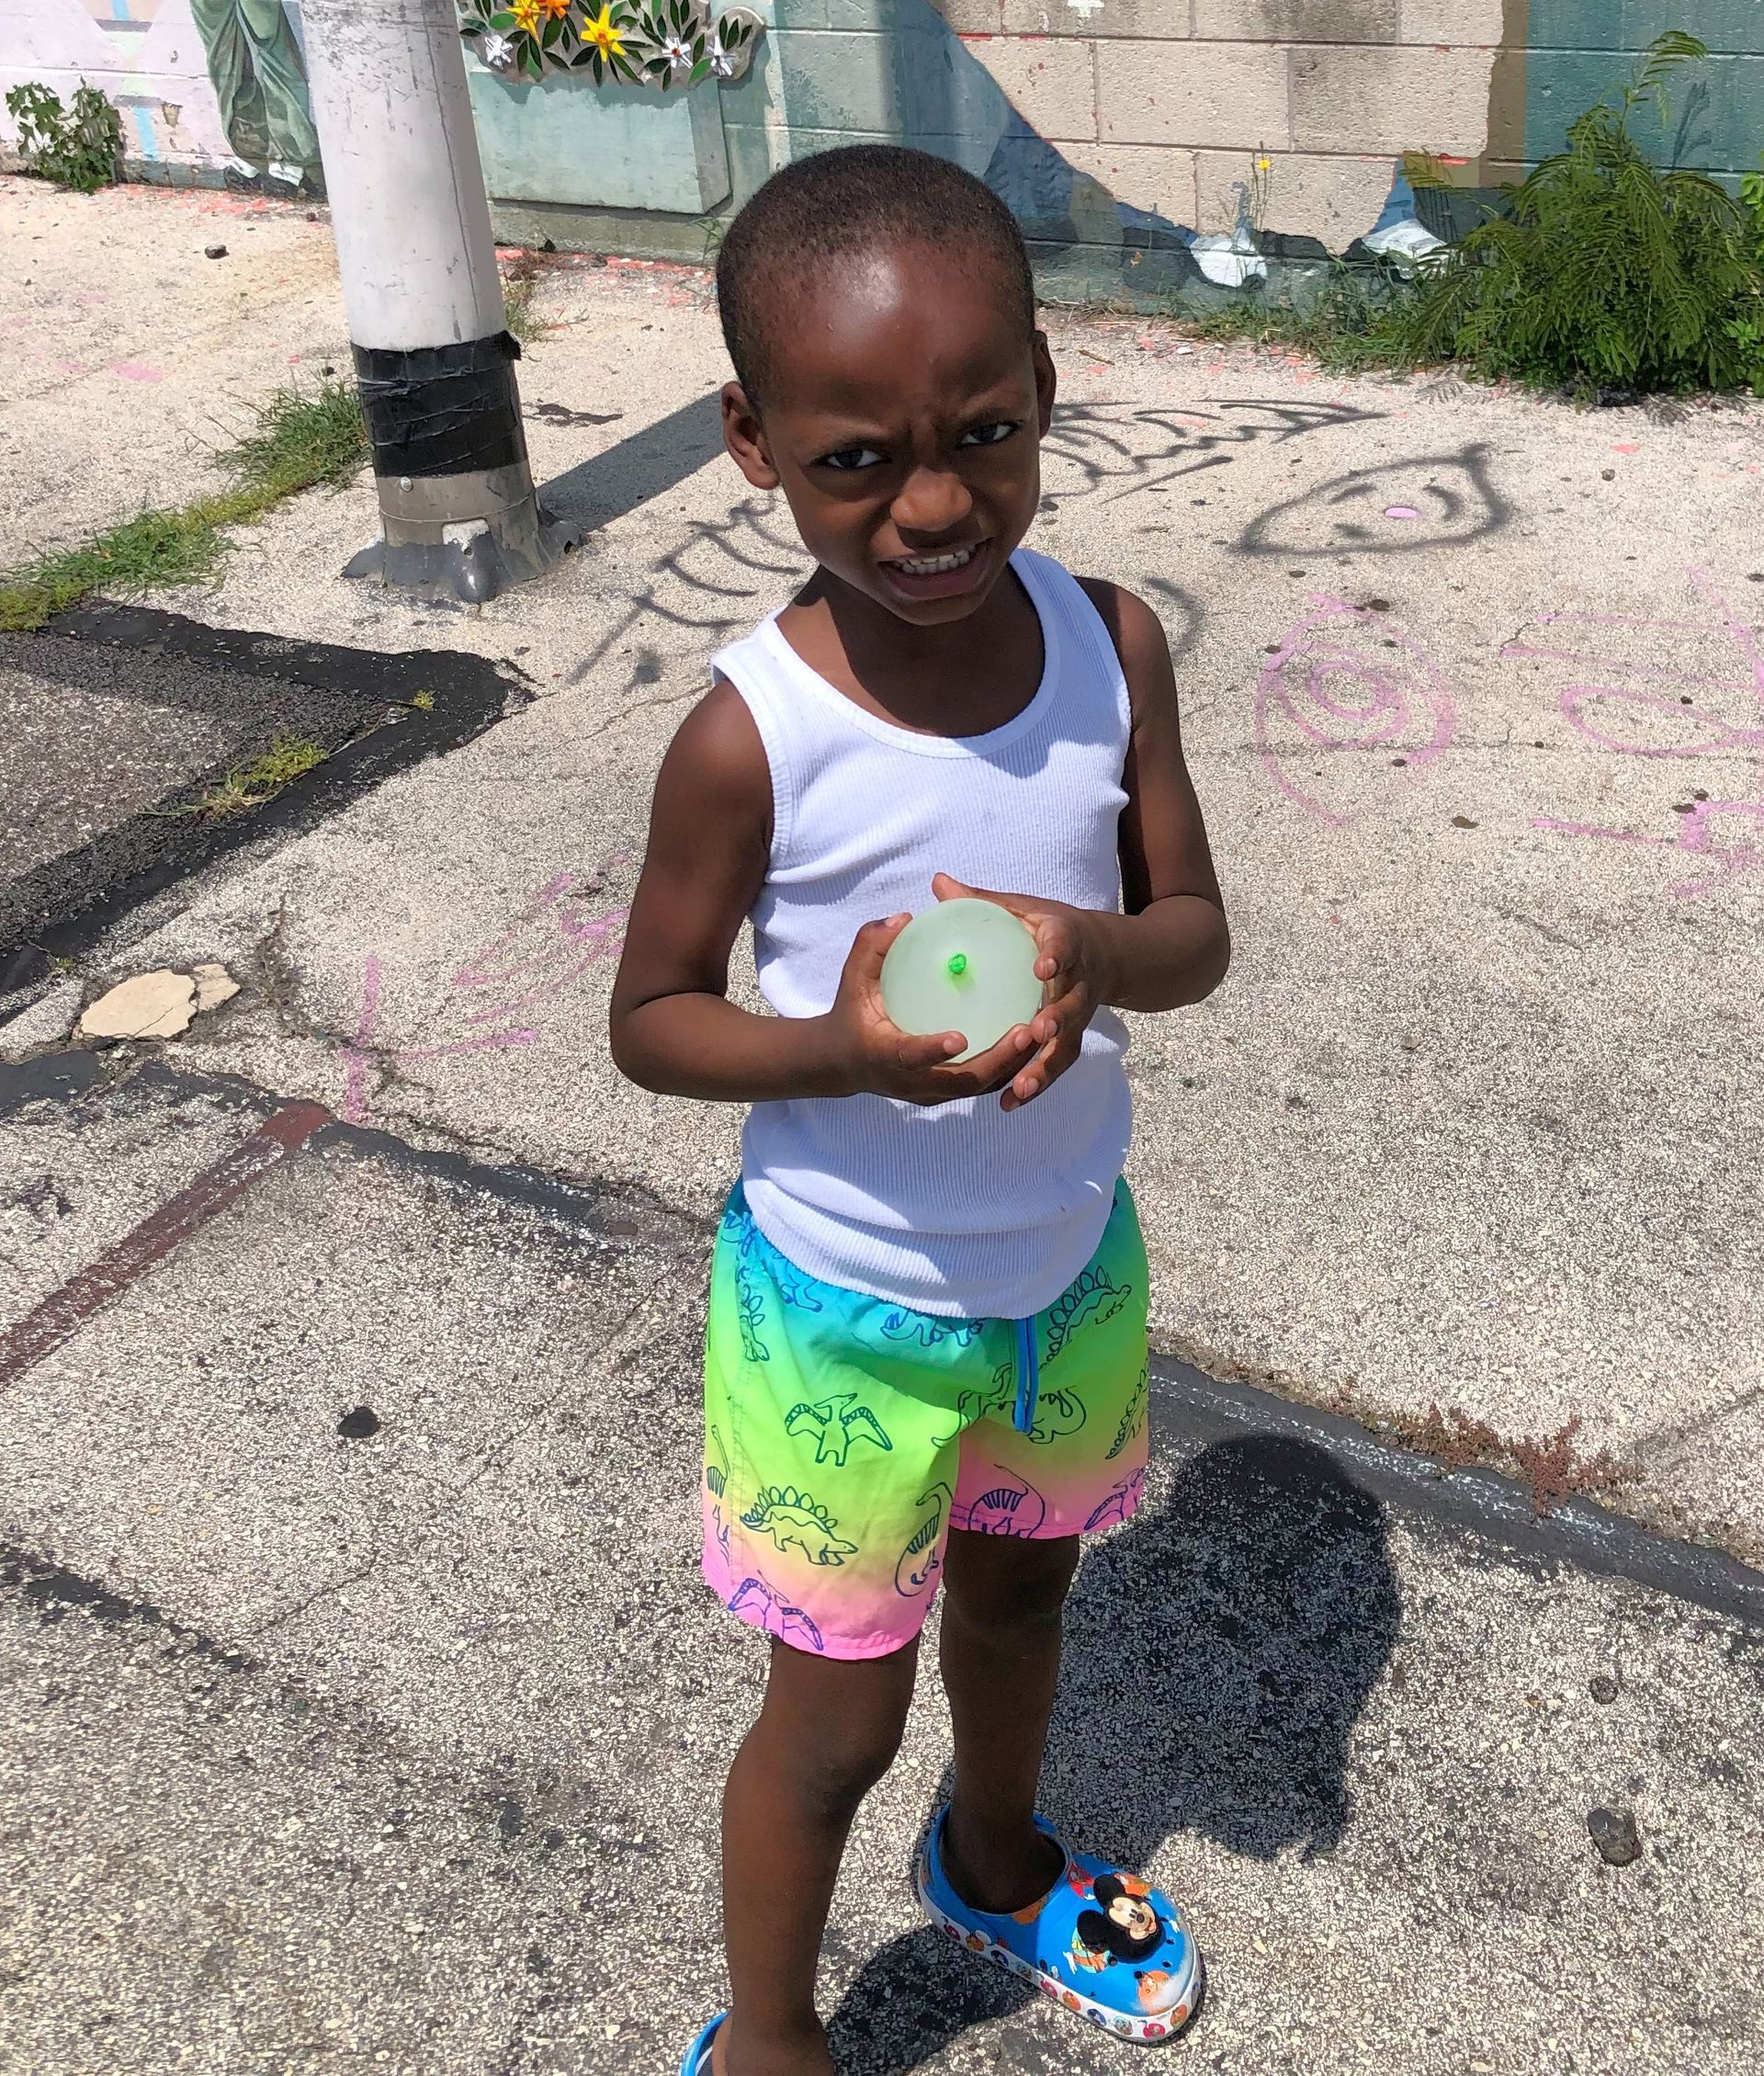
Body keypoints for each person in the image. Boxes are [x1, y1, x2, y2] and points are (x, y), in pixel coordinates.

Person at [608, 143, 1230, 2076]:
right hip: (839, 1322)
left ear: (1045, 384)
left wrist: (1091, 950)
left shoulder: (1111, 647)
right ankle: (771, 2038)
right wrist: (846, 1051)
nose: (937, 501)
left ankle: (994, 1855)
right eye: (858, 459)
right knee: (833, 1724)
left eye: (984, 433)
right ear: (752, 442)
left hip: (1064, 1270)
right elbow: (652, 1022)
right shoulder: (752, 736)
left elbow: (1194, 936)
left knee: (1026, 1604)